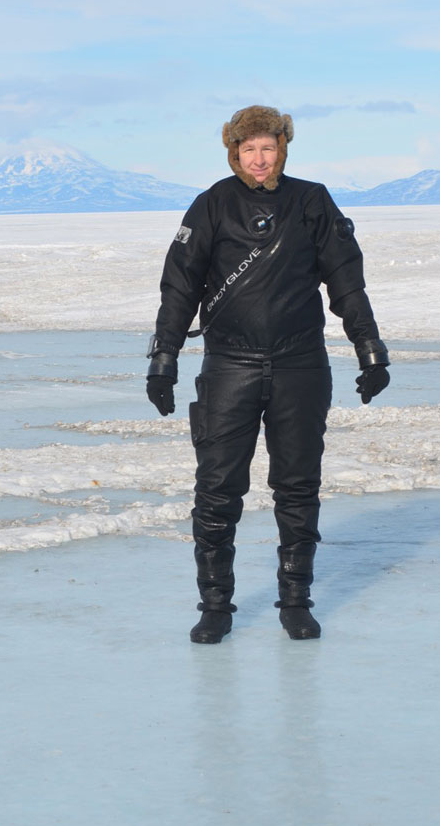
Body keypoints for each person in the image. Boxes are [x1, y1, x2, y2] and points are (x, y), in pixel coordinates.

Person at [146, 105, 390, 643]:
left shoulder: (311, 201)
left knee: (298, 487)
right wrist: (164, 357)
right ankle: (215, 607)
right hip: (230, 365)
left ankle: (295, 601)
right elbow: (180, 286)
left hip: (300, 364)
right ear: (234, 151)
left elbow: (345, 280)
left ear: (283, 149)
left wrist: (369, 347)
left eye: (269, 147)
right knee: (217, 489)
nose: (259, 158)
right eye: (249, 148)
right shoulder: (212, 203)